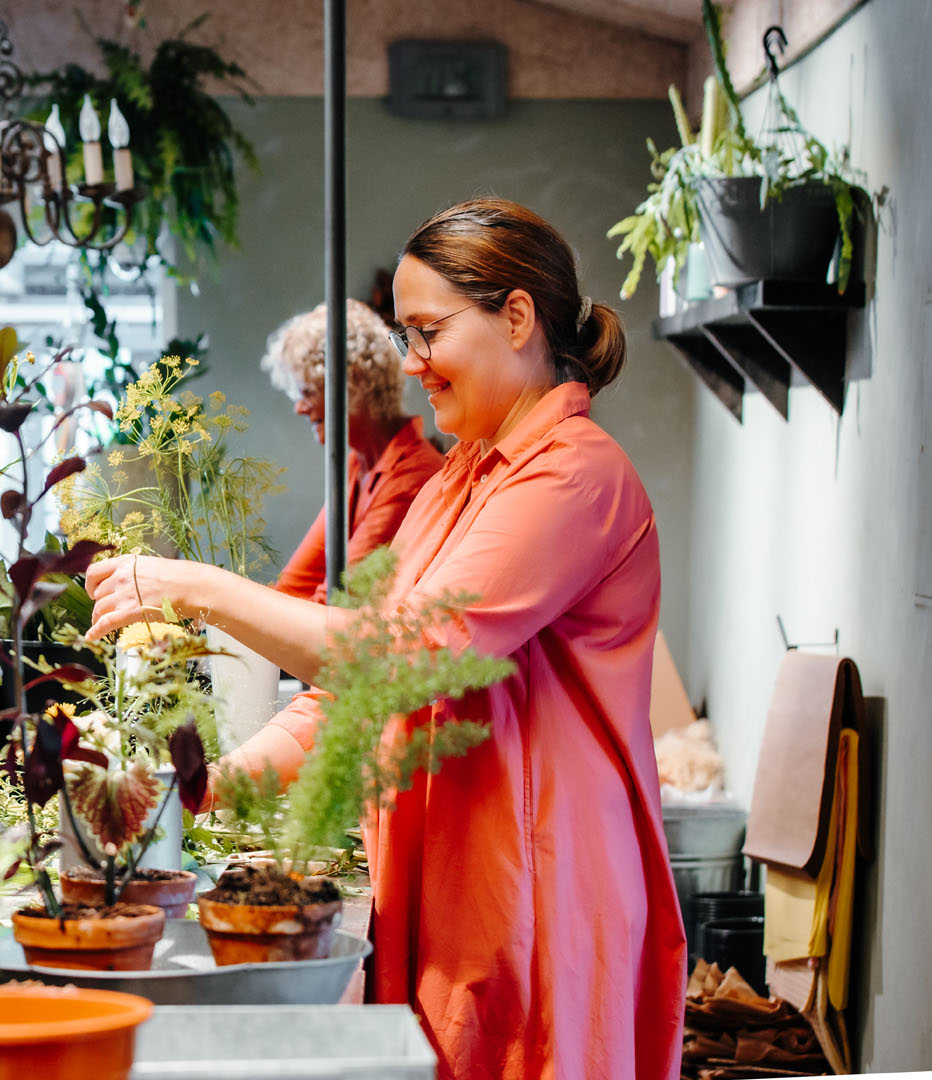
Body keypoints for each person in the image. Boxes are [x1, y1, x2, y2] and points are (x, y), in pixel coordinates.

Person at [85, 197, 686, 1078]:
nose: (411, 365)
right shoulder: (457, 481)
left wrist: (197, 589)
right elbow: (348, 694)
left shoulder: (574, 475)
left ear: (516, 316)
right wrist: (202, 789)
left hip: (537, 899)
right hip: (449, 894)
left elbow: (399, 656)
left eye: (426, 332)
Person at [262, 298, 444, 603]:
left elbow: (335, 606)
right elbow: (294, 585)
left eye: (307, 392)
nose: (298, 408)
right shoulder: (356, 465)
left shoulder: (414, 476)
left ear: (352, 383)